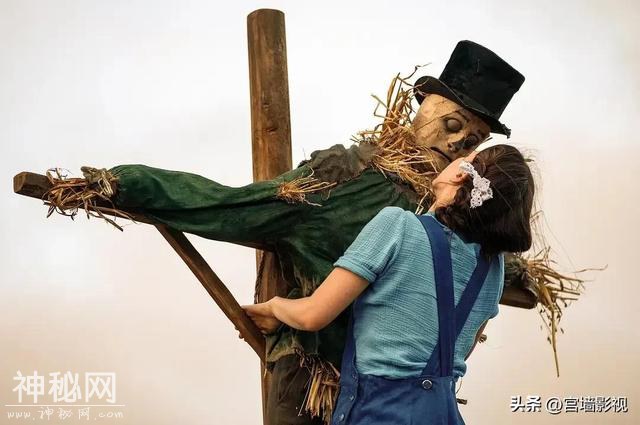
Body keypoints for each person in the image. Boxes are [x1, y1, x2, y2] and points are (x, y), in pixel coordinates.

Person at [241, 142, 535, 424]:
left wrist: (274, 307)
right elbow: (456, 349)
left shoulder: (398, 225)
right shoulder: (492, 269)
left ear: (461, 174)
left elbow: (312, 315)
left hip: (379, 410)